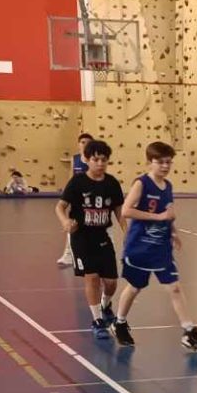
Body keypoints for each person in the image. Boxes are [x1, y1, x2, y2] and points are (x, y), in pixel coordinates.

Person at [111, 142, 197, 352]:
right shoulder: (142, 184)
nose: (165, 166)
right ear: (149, 162)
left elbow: (167, 213)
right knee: (135, 287)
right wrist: (158, 217)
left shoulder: (168, 186)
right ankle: (119, 322)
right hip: (140, 247)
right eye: (160, 162)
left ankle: (189, 331)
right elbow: (126, 211)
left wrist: (172, 230)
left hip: (161, 248)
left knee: (174, 287)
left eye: (168, 162)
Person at [56, 139, 125, 339]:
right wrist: (65, 221)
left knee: (111, 282)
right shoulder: (77, 182)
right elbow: (60, 206)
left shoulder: (111, 183)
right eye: (96, 159)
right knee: (92, 277)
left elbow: (119, 211)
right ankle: (97, 320)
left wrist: (127, 233)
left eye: (104, 160)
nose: (100, 163)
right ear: (87, 160)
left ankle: (105, 305)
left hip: (102, 235)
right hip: (82, 237)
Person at [59, 133, 93, 267]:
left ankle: (91, 253)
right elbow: (71, 178)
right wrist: (68, 193)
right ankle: (68, 254)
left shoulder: (94, 160)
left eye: (88, 142)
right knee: (72, 225)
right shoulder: (75, 159)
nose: (85, 144)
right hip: (77, 198)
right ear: (78, 144)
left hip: (91, 198)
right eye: (83, 142)